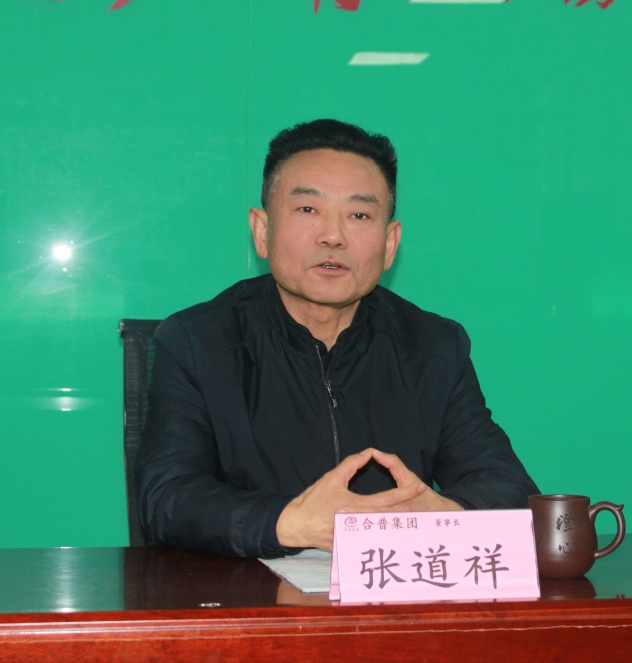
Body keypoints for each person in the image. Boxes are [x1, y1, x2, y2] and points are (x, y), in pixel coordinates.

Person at [135, 118, 539, 558]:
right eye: (308, 209)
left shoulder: (435, 347)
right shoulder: (197, 342)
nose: (333, 236)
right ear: (262, 231)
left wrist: (442, 514)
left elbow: (509, 488)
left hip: (391, 589)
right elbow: (167, 499)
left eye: (359, 215)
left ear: (390, 243)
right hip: (247, 592)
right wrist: (291, 522)